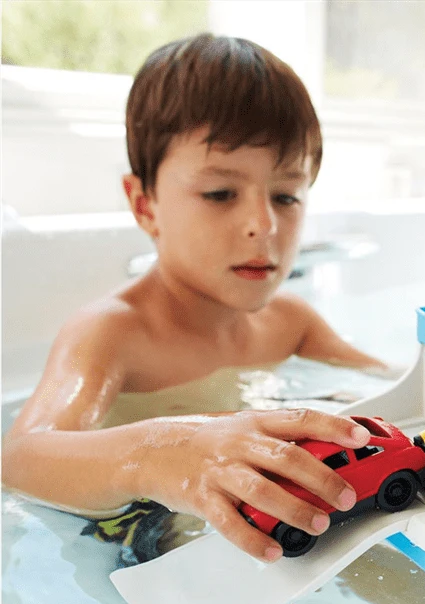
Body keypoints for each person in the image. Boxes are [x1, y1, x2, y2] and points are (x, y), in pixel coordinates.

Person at [2, 33, 394, 564]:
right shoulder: (113, 334)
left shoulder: (293, 325)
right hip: (143, 541)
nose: (263, 224)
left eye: (286, 195)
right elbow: (20, 457)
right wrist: (158, 452)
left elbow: (392, 388)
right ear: (145, 206)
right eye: (220, 193)